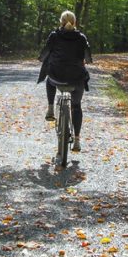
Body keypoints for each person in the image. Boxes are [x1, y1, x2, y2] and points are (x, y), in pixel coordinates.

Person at [38, 10, 92, 152]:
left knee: (49, 80)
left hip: (57, 77)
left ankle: (50, 109)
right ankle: (77, 140)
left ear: (60, 22)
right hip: (76, 80)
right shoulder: (81, 37)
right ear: (75, 22)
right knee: (76, 106)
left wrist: (42, 59)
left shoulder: (54, 35)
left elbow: (45, 53)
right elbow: (88, 58)